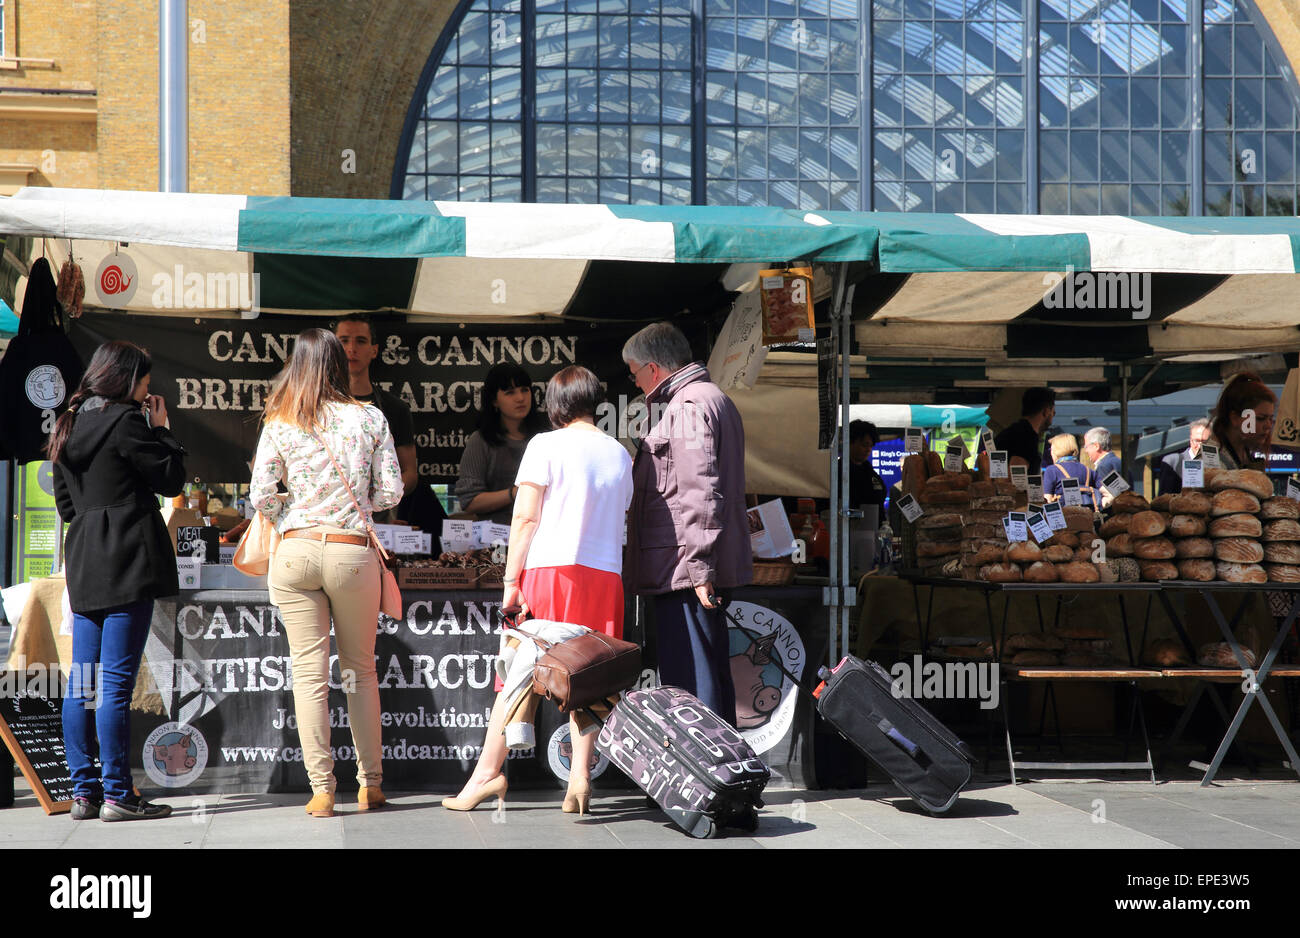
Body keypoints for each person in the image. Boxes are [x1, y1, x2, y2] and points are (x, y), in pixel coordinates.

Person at [443, 366, 632, 816]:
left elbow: (525, 518)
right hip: (605, 575)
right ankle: (580, 780)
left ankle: (487, 775)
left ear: (556, 404)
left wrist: (510, 582)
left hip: (549, 570)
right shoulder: (620, 453)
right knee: (591, 677)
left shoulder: (543, 445)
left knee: (519, 673)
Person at [250, 328, 403, 818]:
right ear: (340, 364)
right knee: (360, 672)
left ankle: (321, 790)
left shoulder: (279, 419)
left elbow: (261, 496)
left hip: (294, 553)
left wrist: (290, 514)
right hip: (351, 553)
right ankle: (370, 784)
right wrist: (359, 505)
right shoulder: (370, 417)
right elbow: (392, 493)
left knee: (309, 675)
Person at [50, 340, 187, 821]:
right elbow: (171, 480)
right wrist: (164, 430)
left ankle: (84, 793)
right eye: (145, 383)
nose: (148, 391)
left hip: (84, 559)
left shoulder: (67, 425)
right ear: (127, 380)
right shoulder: (129, 422)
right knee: (113, 683)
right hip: (129, 557)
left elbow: (66, 506)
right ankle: (118, 795)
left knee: (81, 681)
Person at [623, 322, 752, 726]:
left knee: (692, 682)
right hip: (693, 567)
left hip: (685, 569)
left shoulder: (688, 406)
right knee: (709, 676)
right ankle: (720, 773)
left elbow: (699, 489)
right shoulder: (713, 399)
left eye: (634, 372)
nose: (635, 381)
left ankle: (704, 775)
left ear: (654, 369)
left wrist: (699, 568)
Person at [335, 315, 418, 517]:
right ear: (332, 348)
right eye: (344, 341)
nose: (351, 349)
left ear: (374, 350)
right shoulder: (316, 405)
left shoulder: (395, 408)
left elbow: (410, 473)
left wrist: (373, 500)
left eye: (361, 341)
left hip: (377, 519)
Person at [455, 363, 550, 524]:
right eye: (510, 392)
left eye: (525, 390)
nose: (520, 398)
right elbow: (469, 502)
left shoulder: (547, 438)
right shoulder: (481, 441)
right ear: (494, 401)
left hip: (542, 533)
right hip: (495, 538)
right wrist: (516, 493)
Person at [1207, 371, 1276, 472]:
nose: (1268, 426)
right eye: (1260, 418)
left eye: (1271, 419)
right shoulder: (1209, 460)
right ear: (1234, 418)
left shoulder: (1244, 451)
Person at [994, 387, 1056, 475]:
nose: (1053, 416)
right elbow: (1015, 477)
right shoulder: (1026, 437)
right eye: (1053, 412)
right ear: (1045, 411)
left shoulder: (1014, 431)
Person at [1041, 433, 1096, 507]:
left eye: (1052, 449)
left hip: (1064, 515)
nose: (1051, 452)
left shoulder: (1052, 470)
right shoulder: (1088, 470)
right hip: (1087, 515)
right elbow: (1107, 493)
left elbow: (1048, 500)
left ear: (1057, 451)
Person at [848, 420, 887, 525]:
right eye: (864, 445)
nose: (868, 450)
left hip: (875, 532)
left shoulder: (870, 472)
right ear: (850, 442)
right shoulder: (840, 472)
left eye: (871, 446)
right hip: (852, 532)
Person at [1158, 418, 1211, 494]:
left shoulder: (1218, 463)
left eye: (1204, 442)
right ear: (1190, 439)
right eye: (1197, 441)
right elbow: (1164, 497)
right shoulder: (1173, 462)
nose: (1200, 446)